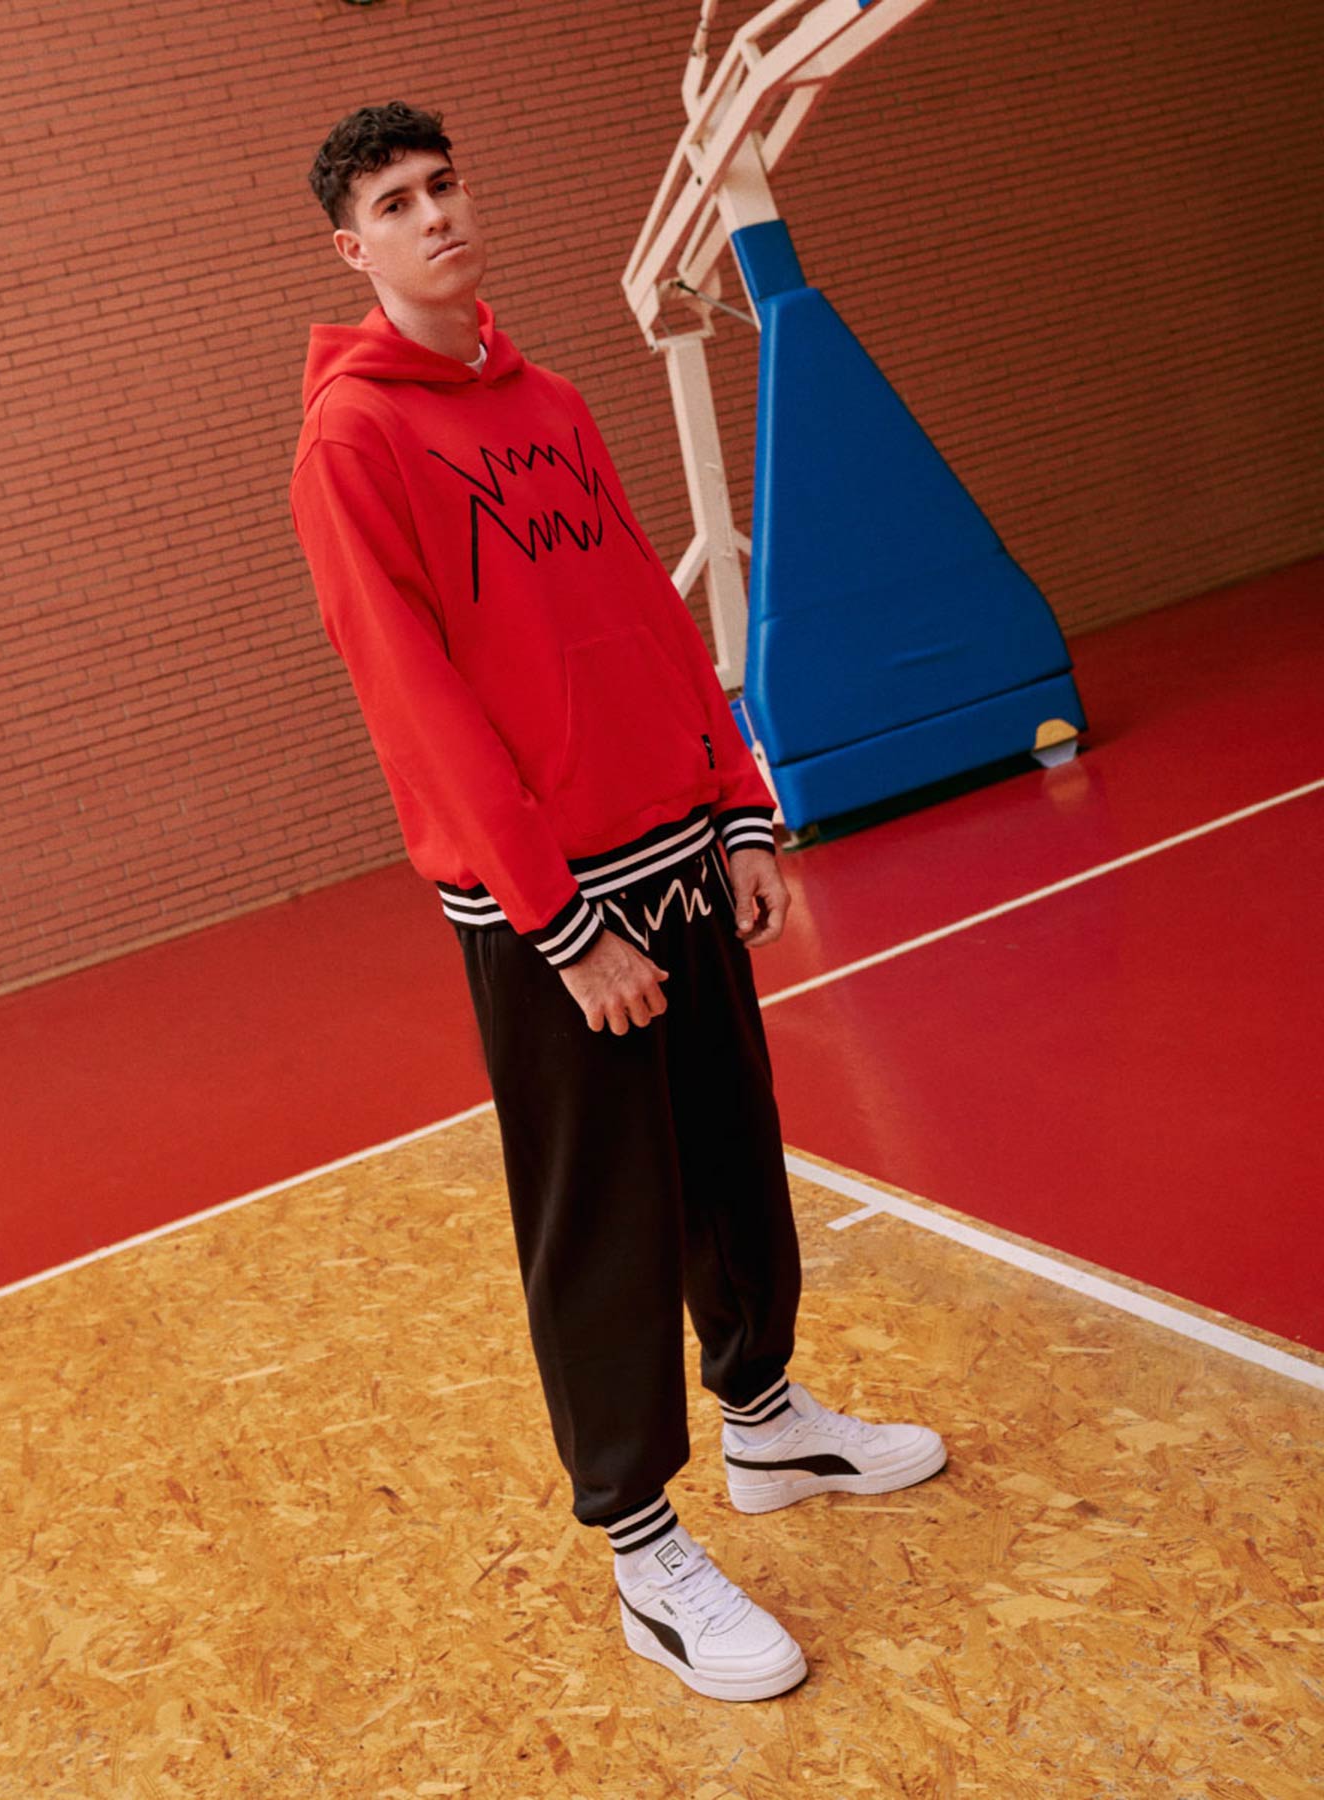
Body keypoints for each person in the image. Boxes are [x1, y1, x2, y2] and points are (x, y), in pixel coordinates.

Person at [291, 100, 946, 1703]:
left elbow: (647, 618)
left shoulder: (555, 400)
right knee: (604, 1220)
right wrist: (556, 922)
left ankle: (769, 1423)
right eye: (398, 202)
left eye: (447, 183)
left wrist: (740, 803)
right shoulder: (350, 444)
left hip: (682, 857)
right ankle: (643, 1547)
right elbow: (413, 703)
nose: (437, 215)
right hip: (554, 910)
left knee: (732, 1158)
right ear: (352, 249)